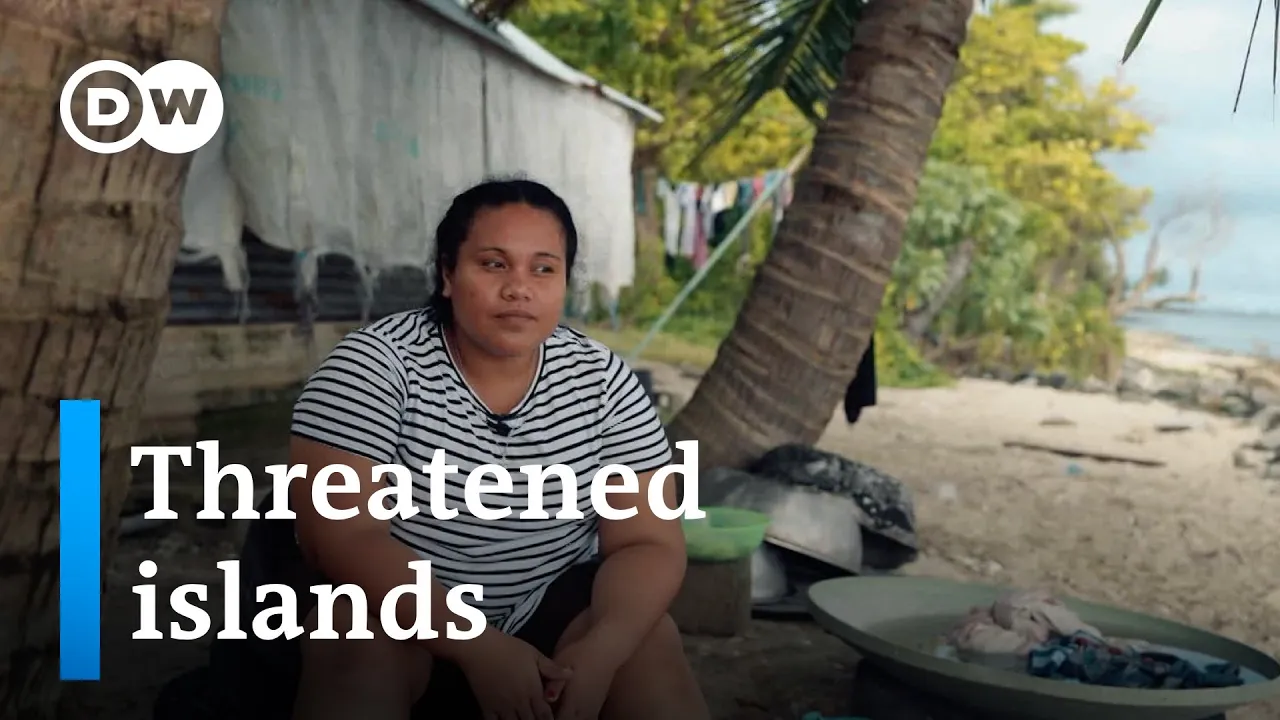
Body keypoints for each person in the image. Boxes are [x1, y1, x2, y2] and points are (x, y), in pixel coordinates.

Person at [223, 178, 710, 720]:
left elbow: (648, 541)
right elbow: (341, 538)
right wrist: (479, 648)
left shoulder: (602, 381)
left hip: (541, 608)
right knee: (352, 631)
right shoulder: (371, 368)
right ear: (448, 274)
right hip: (400, 614)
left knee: (647, 641)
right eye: (494, 264)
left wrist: (603, 651)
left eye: (543, 269)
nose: (519, 288)